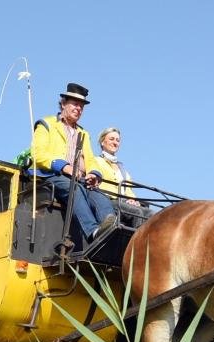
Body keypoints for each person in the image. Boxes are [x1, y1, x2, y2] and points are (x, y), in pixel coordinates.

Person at [29, 83, 116, 242]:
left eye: (82, 106)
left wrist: (93, 173)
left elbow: (90, 160)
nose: (79, 109)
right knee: (73, 188)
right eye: (75, 104)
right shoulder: (46, 124)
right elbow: (37, 154)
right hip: (51, 175)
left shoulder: (83, 133)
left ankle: (110, 230)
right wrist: (64, 166)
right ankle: (93, 231)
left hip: (77, 179)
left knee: (99, 195)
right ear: (63, 103)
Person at [93, 127, 151, 227]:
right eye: (111, 139)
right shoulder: (96, 161)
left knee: (151, 214)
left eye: (117, 140)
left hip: (125, 202)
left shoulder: (122, 168)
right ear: (102, 142)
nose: (115, 142)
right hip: (109, 200)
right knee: (137, 212)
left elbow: (128, 189)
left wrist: (133, 200)